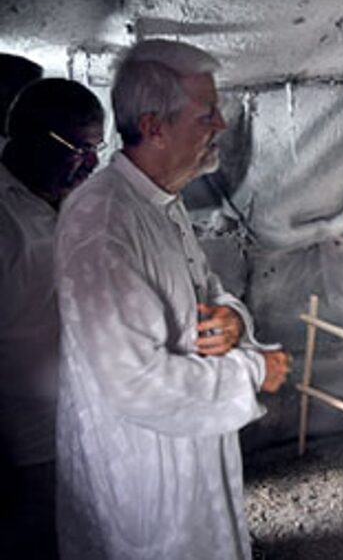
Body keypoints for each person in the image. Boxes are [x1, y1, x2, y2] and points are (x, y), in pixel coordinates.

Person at [54, 39, 290, 559]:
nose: (221, 127)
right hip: (144, 469)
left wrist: (232, 321)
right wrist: (253, 371)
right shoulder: (102, 221)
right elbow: (137, 383)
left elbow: (208, 292)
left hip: (189, 452)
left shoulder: (162, 202)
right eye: (207, 115)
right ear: (155, 126)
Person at [0, 78, 105, 559]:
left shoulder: (75, 202)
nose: (93, 162)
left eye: (97, 149)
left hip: (84, 409)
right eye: (80, 147)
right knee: (37, 533)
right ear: (29, 137)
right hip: (26, 427)